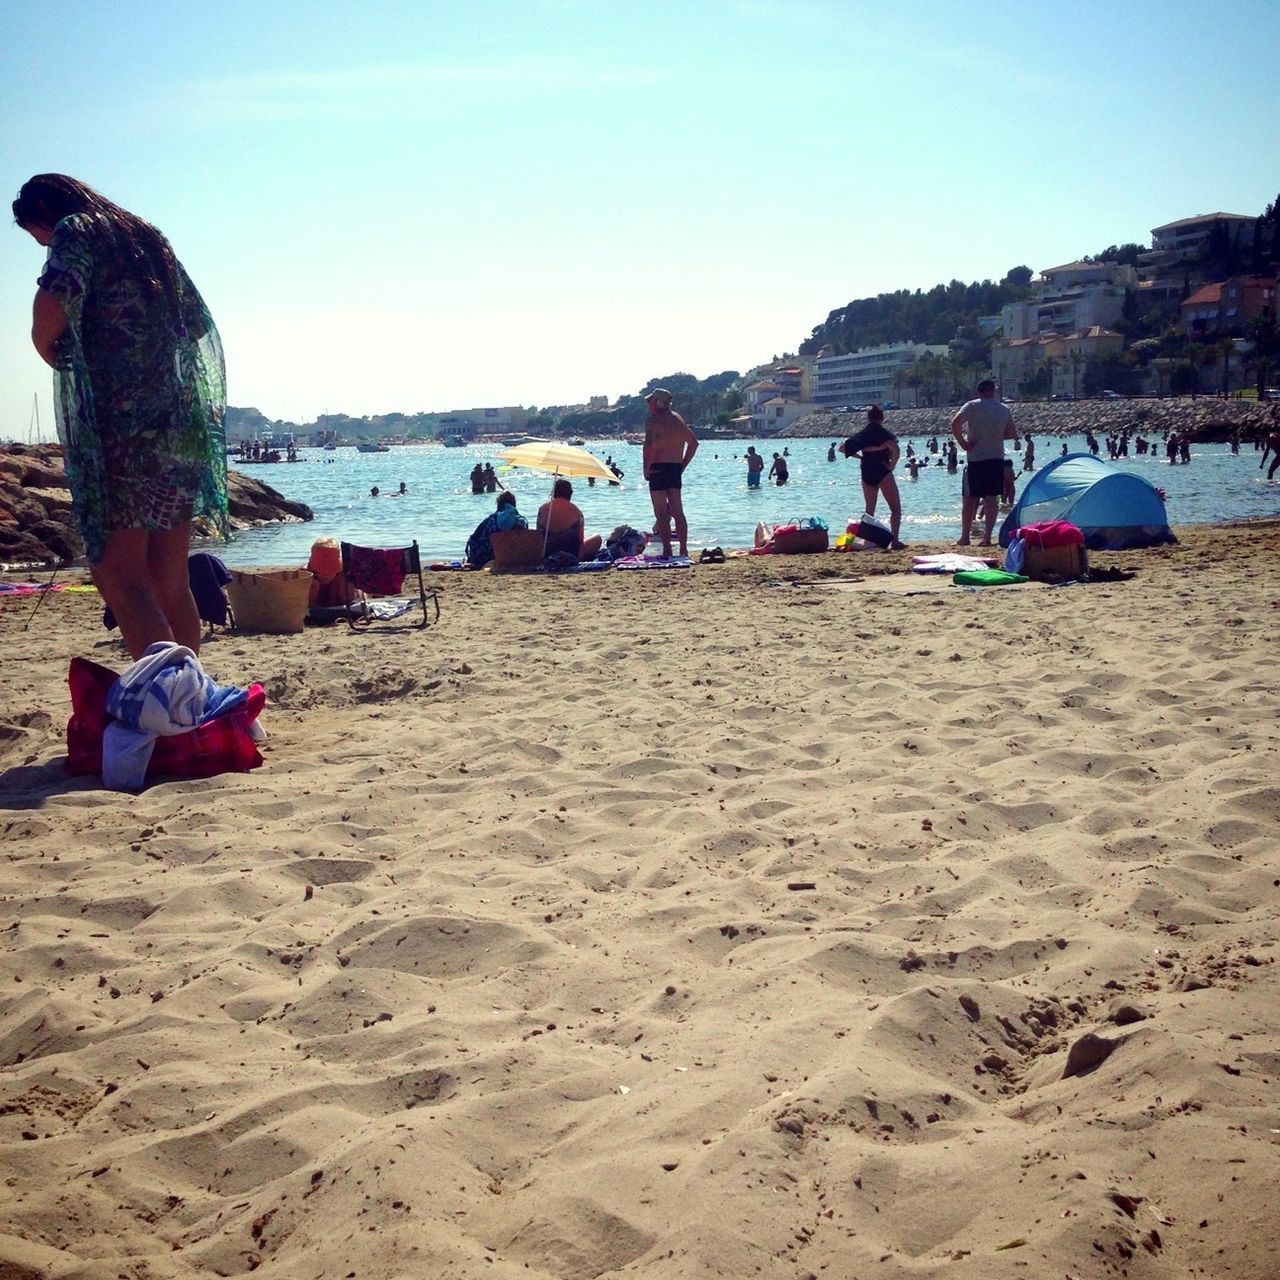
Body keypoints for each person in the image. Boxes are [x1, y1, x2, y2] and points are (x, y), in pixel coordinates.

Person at [13, 174, 227, 661]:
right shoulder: (148, 238)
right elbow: (194, 325)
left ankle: (169, 708)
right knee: (169, 581)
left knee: (124, 582)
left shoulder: (77, 229)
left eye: (35, 235)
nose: (41, 245)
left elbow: (54, 300)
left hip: (120, 427)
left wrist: (47, 347)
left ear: (41, 217)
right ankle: (190, 702)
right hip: (180, 425)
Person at [950, 377, 1018, 546]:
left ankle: (965, 537)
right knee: (991, 499)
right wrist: (993, 435)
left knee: (969, 499)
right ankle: (986, 538)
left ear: (979, 392)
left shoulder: (972, 406)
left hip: (976, 459)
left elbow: (955, 424)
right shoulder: (1004, 409)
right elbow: (1011, 433)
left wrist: (964, 443)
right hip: (996, 458)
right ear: (993, 392)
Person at [641, 388, 698, 558]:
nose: (648, 404)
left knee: (661, 512)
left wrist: (646, 468)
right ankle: (683, 549)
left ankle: (667, 549)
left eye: (650, 401)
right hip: (674, 467)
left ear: (657, 402)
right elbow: (693, 444)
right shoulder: (678, 419)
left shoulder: (652, 420)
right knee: (678, 511)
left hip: (658, 467)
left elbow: (649, 446)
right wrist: (682, 465)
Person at [839, 405, 904, 549]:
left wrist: (861, 456)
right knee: (895, 508)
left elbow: (842, 448)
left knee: (870, 509)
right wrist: (892, 465)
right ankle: (895, 541)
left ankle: (868, 542)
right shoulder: (884, 433)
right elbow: (896, 449)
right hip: (882, 470)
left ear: (868, 418)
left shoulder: (863, 434)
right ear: (882, 418)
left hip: (867, 471)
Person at [537, 478, 602, 562]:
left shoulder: (543, 508)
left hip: (547, 553)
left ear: (554, 492)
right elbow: (580, 539)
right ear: (570, 493)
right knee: (597, 538)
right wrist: (579, 559)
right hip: (571, 553)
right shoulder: (576, 511)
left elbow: (538, 534)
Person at [464, 490, 528, 568]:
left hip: (491, 557)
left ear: (499, 505)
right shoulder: (521, 520)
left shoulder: (491, 519)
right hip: (516, 557)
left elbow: (474, 538)